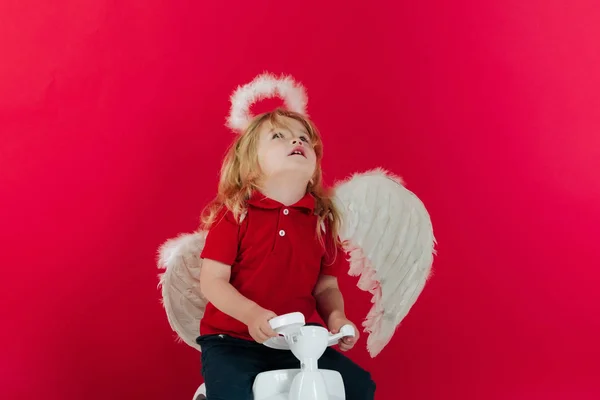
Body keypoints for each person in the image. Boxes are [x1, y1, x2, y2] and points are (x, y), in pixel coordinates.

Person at [196, 107, 376, 399]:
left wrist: (336, 318)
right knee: (232, 393)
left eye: (304, 138)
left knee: (358, 385)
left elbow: (326, 286)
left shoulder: (322, 222)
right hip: (231, 341)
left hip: (294, 343)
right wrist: (251, 314)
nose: (297, 142)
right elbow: (212, 280)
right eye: (279, 136)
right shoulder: (235, 214)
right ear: (250, 162)